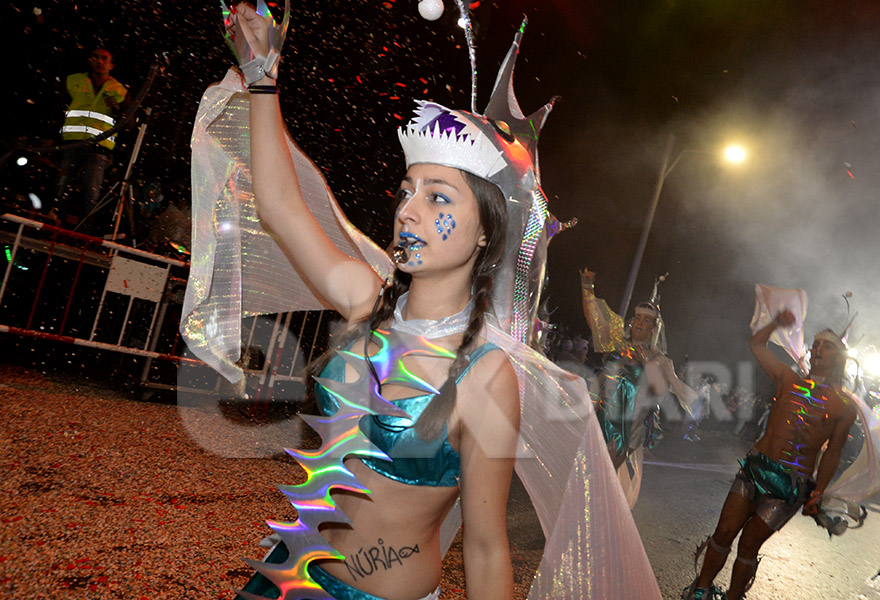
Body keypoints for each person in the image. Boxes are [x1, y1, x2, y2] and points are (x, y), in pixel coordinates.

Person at [181, 4, 661, 600]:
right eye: (407, 191)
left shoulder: (487, 376)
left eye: (438, 197)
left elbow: (485, 547)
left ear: (485, 229)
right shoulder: (365, 298)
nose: (408, 210)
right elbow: (279, 207)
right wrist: (262, 80)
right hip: (286, 581)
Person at [683, 310, 857, 600]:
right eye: (815, 345)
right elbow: (756, 345)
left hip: (789, 486)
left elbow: (833, 453)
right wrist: (776, 323)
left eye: (826, 346)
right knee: (724, 532)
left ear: (838, 357)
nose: (817, 349)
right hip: (754, 471)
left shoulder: (844, 406)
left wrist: (820, 491)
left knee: (749, 547)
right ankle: (700, 591)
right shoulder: (789, 379)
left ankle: (734, 597)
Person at [582, 269, 696, 505]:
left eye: (646, 322)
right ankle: (592, 514)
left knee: (602, 473)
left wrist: (645, 362)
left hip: (628, 428)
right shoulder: (617, 344)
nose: (639, 324)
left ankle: (592, 517)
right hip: (600, 416)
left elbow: (661, 389)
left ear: (653, 329)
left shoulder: (659, 359)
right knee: (591, 472)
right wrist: (587, 288)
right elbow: (596, 322)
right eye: (638, 319)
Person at [53, 47, 128, 226]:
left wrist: (119, 109)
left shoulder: (119, 90)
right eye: (96, 57)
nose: (99, 61)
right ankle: (55, 222)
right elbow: (56, 109)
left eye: (104, 58)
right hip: (72, 143)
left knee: (91, 193)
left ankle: (83, 231)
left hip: (98, 148)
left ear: (111, 65)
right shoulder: (74, 81)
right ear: (89, 60)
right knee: (62, 186)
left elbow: (129, 122)